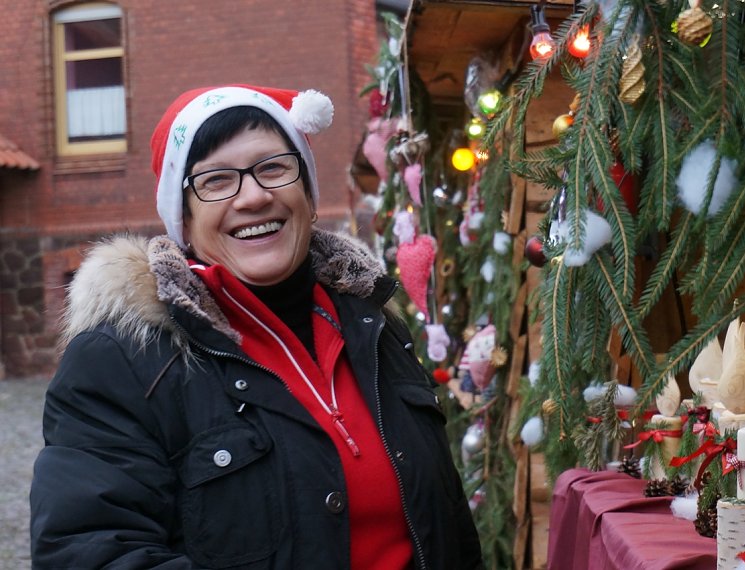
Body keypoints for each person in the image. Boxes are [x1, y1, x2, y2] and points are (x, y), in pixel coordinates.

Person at [30, 84, 483, 569]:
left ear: (307, 194)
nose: (253, 197)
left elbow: (449, 526)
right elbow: (89, 553)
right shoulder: (123, 361)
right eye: (217, 180)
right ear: (183, 217)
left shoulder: (376, 326)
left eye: (273, 168)